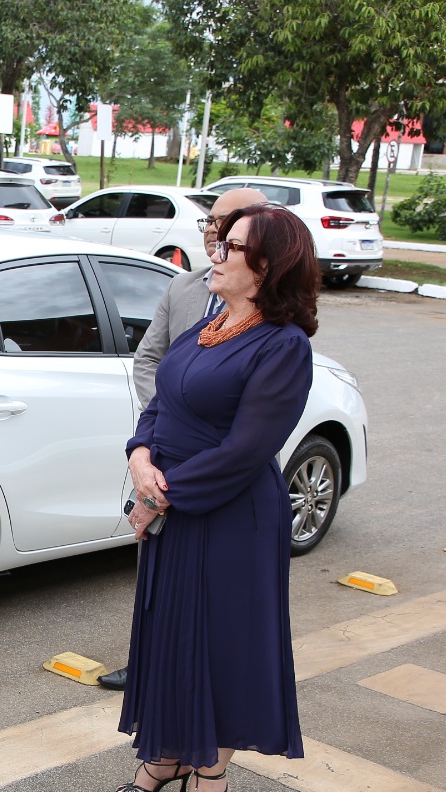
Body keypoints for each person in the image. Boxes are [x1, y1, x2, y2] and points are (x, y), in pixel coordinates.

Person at [112, 204, 320, 792]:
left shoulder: (284, 346)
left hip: (230, 518)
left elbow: (247, 450)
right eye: (221, 242)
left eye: (233, 246)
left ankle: (211, 783)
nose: (217, 252)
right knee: (170, 632)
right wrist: (141, 455)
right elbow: (163, 401)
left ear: (267, 265)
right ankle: (171, 753)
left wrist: (160, 497)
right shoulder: (208, 320)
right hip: (174, 500)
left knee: (221, 646)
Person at [97, 187, 269, 692]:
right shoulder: (185, 289)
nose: (216, 230)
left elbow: (248, 424)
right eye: (211, 221)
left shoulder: (275, 329)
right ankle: (146, 662)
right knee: (155, 576)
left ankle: (195, 695)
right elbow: (150, 359)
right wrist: (162, 418)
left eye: (230, 223)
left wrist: (185, 418)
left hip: (214, 473)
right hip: (162, 451)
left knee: (214, 604)